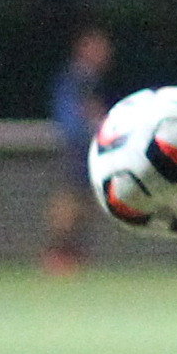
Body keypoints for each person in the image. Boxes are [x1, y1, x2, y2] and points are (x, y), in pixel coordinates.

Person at [42, 25, 114, 275]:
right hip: (79, 144)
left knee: (84, 202)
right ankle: (58, 255)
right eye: (98, 48)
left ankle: (71, 255)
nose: (104, 53)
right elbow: (84, 112)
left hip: (84, 144)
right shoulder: (79, 77)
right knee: (71, 199)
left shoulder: (87, 77)